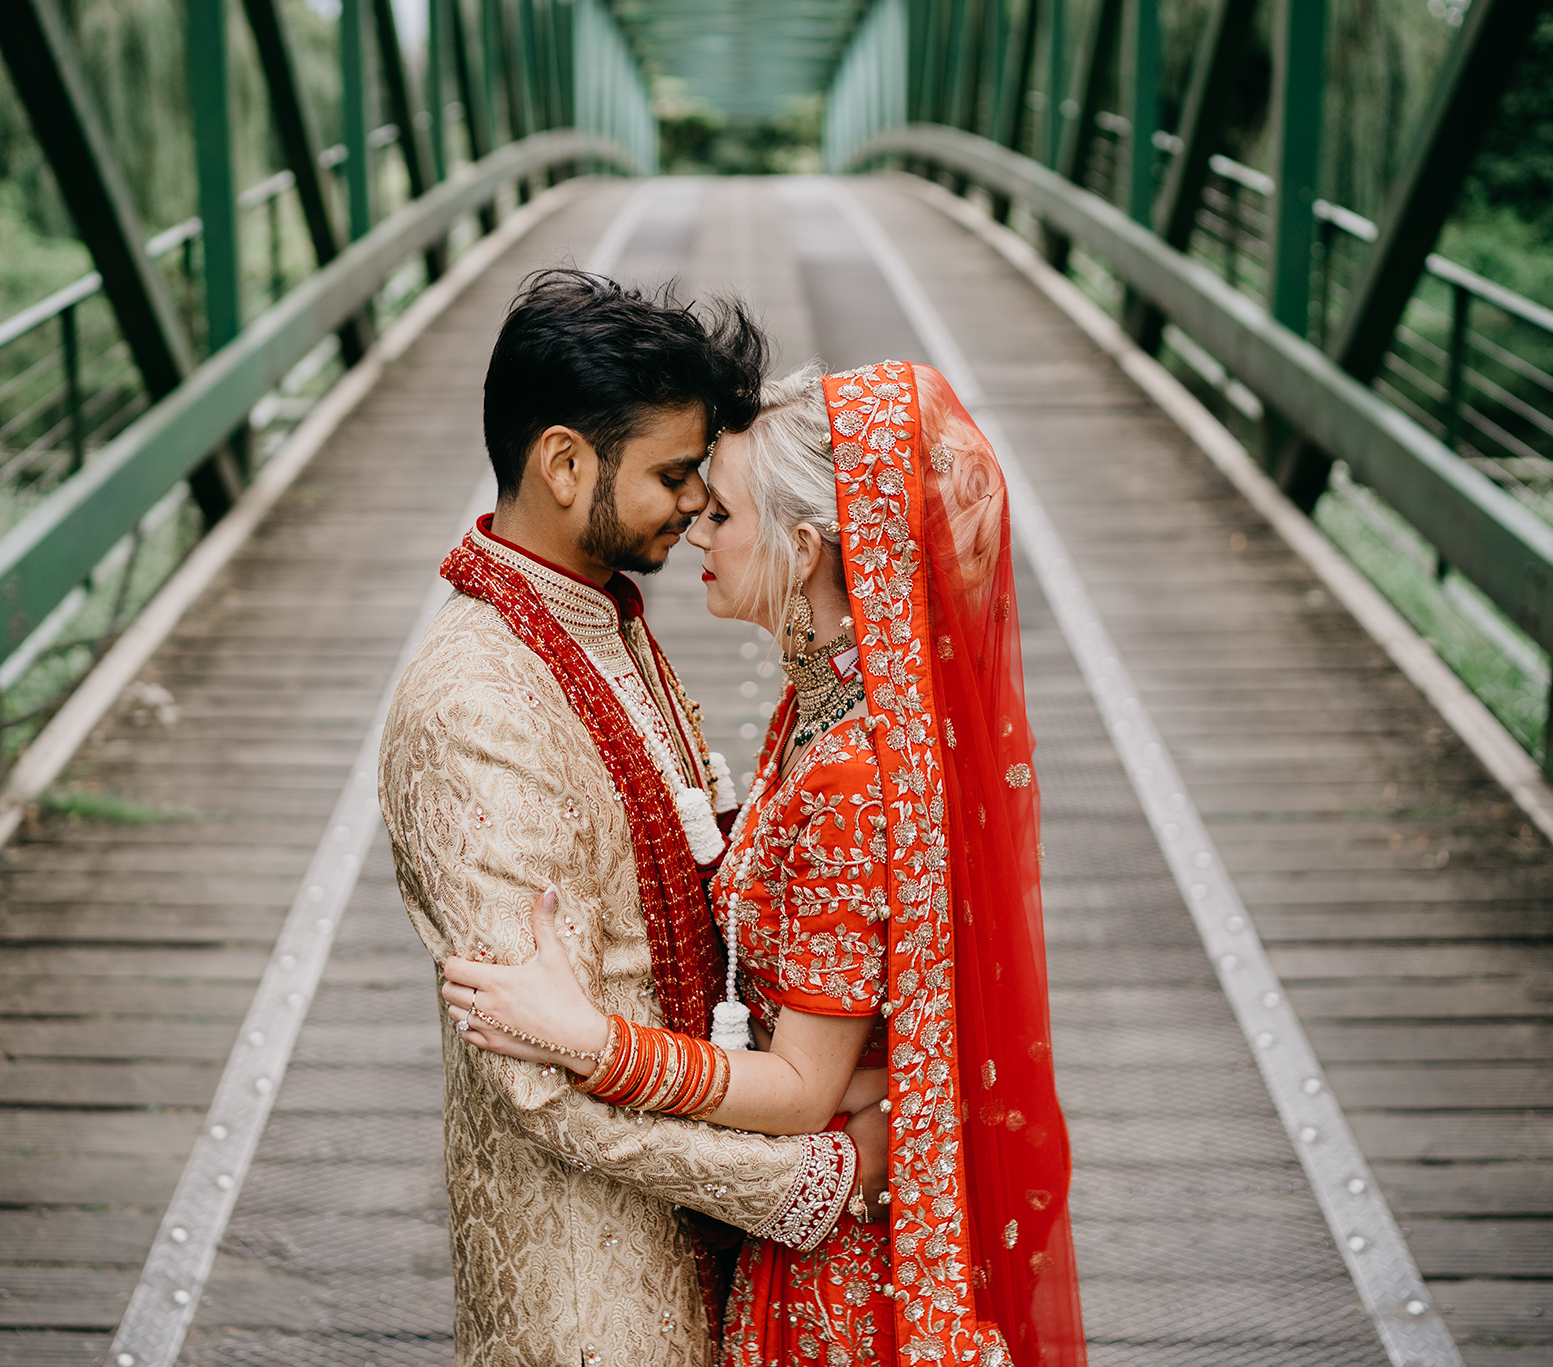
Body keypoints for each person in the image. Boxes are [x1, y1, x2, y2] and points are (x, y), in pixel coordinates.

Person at [440, 360, 1088, 1367]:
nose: (695, 532)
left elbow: (794, 1088)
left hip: (835, 1277)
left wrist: (586, 1037)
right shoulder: (817, 709)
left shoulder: (845, 776)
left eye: (722, 515)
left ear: (801, 548)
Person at [378, 272, 891, 1367]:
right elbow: (535, 1076)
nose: (702, 507)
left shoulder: (602, 617)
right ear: (565, 464)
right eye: (672, 476)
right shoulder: (475, 705)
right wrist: (826, 1172)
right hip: (591, 1284)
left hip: (698, 1228)